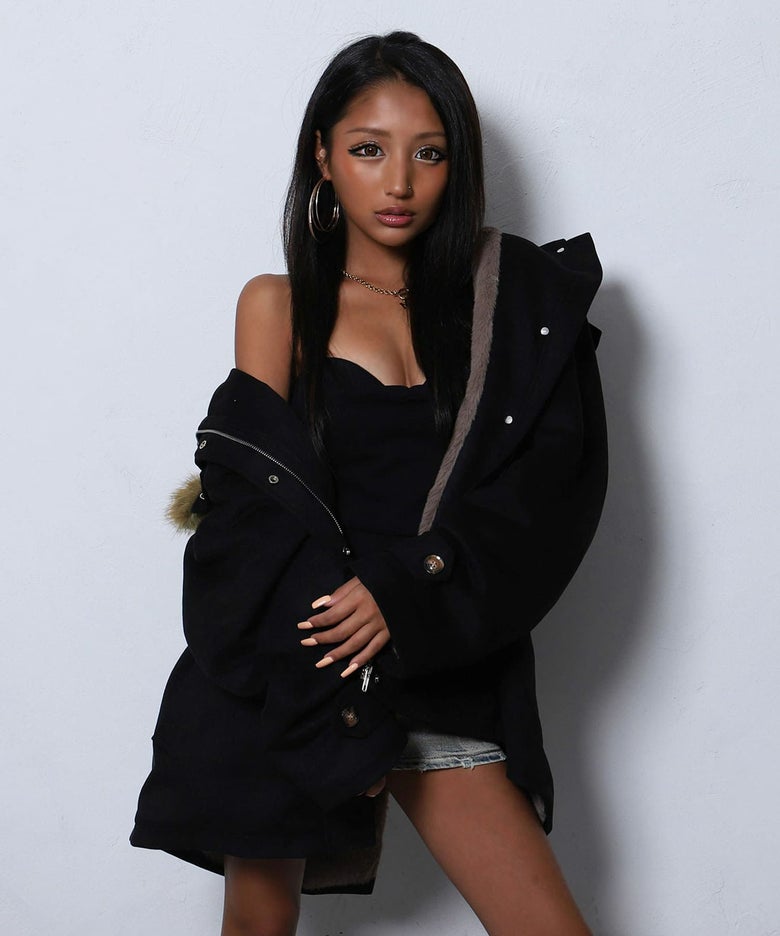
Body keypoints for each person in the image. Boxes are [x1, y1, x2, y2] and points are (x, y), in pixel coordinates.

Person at [130, 30, 607, 936]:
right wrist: (324, 654)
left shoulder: (501, 316)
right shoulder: (278, 305)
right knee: (258, 928)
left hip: (437, 658)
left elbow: (544, 502)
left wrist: (405, 588)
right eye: (367, 149)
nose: (398, 183)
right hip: (301, 660)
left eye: (428, 153)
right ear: (322, 156)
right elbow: (252, 510)